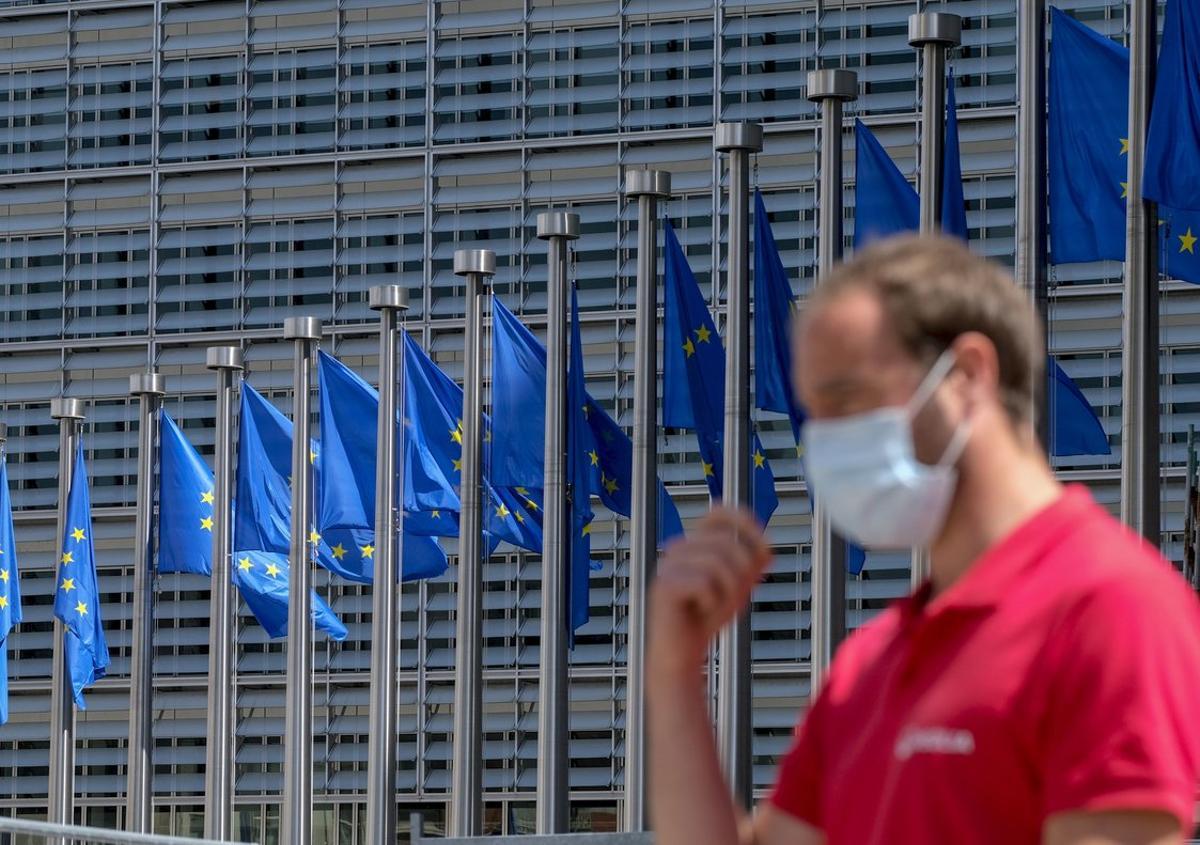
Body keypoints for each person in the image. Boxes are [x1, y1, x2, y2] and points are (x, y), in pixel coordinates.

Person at [647, 235, 1200, 845]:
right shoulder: (871, 662)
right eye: (813, 416)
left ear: (966, 377)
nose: (822, 444)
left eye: (846, 399)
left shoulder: (1111, 609)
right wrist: (674, 672)